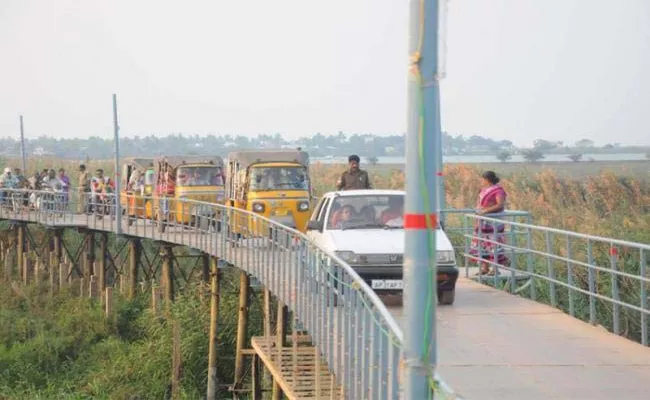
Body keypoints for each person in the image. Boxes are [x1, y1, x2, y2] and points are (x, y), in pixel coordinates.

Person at [469, 171, 509, 275]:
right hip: (482, 221)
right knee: (482, 243)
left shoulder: (498, 191)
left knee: (493, 243)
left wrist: (486, 211)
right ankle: (484, 268)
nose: (481, 181)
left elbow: (500, 205)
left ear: (487, 180)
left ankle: (495, 269)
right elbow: (479, 204)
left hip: (493, 221)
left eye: (482, 179)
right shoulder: (483, 190)